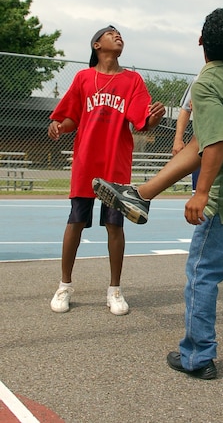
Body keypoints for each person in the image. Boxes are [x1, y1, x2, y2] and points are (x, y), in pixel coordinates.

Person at [94, 9, 223, 379]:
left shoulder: (207, 83)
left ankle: (197, 355)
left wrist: (201, 192)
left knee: (201, 272)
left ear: (201, 42)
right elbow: (210, 138)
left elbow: (216, 142)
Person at [48, 25, 165, 315]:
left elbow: (141, 121)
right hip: (86, 161)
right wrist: (60, 126)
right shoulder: (84, 78)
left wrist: (154, 119)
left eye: (120, 34)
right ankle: (64, 285)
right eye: (111, 33)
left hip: (116, 162)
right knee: (75, 221)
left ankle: (115, 290)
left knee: (115, 225)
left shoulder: (133, 80)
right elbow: (72, 117)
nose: (118, 36)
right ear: (96, 45)